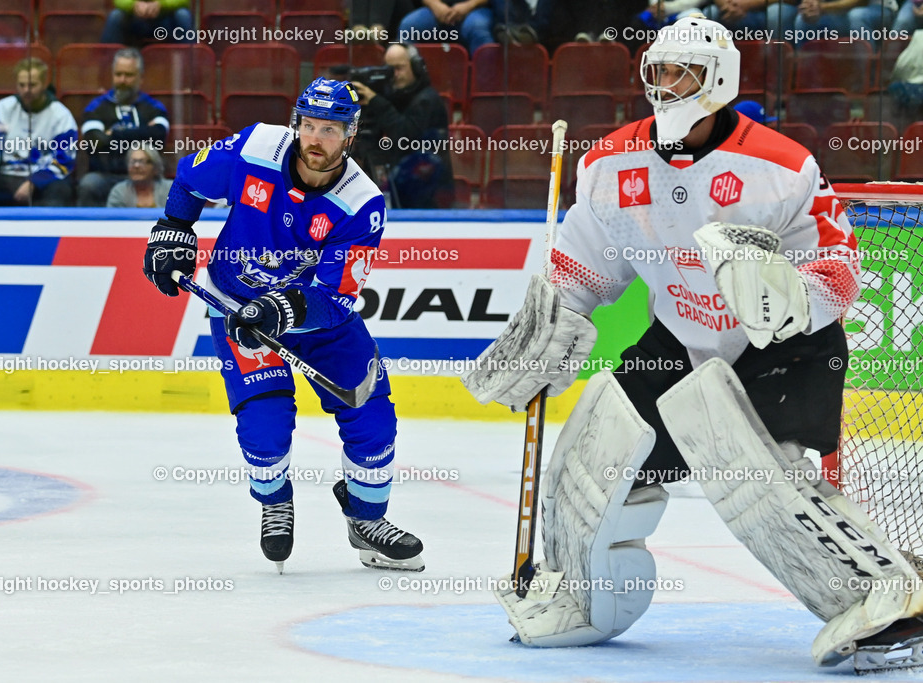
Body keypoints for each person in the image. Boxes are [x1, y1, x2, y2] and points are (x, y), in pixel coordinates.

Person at [462, 15, 923, 673]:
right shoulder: (610, 163)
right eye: (659, 71)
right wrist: (547, 330)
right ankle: (586, 599)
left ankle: (886, 602)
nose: (669, 85)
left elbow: (842, 268)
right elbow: (582, 269)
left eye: (685, 72)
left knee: (756, 474)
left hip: (783, 345)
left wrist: (789, 294)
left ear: (721, 81)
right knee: (593, 452)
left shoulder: (782, 165)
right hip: (678, 337)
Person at [142, 78, 424, 574]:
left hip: (318, 318)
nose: (317, 139)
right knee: (265, 427)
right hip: (236, 303)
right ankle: (276, 502)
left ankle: (366, 519)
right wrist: (173, 230)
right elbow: (188, 181)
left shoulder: (362, 203)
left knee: (372, 413)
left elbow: (337, 297)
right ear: (296, 124)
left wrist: (281, 311)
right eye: (310, 126)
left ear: (350, 135)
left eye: (331, 130)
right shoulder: (254, 149)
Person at [350, 43, 454, 208]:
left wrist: (376, 101)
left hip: (428, 191)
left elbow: (405, 134)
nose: (394, 75)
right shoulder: (396, 96)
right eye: (390, 70)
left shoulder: (427, 100)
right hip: (405, 185)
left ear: (417, 67)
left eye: (399, 68)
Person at [0, 58, 76, 207]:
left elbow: (64, 160)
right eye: (22, 85)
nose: (26, 90)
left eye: (32, 85)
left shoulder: (61, 116)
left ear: (44, 84)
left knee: (60, 190)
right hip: (6, 175)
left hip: (42, 179)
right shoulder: (3, 108)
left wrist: (35, 182)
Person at [78, 49, 170, 207]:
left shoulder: (154, 107)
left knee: (173, 188)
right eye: (118, 74)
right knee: (89, 184)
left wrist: (113, 134)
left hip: (147, 176)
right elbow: (95, 141)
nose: (122, 80)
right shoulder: (96, 107)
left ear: (140, 78)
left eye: (129, 75)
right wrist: (141, 133)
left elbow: (158, 136)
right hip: (107, 174)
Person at [398, 0, 496, 55]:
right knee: (408, 26)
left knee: (478, 27)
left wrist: (470, 5)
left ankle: (486, 87)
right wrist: (434, 4)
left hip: (476, 9)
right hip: (437, 9)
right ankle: (407, 88)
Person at [100, 0, 194, 45]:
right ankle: (107, 72)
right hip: (135, 20)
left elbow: (184, 1)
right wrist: (133, 5)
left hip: (166, 21)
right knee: (115, 16)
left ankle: (191, 71)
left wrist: (161, 4)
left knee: (183, 15)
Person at [106, 144, 171, 207]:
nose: (136, 166)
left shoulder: (170, 189)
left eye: (142, 161)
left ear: (155, 167)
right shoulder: (119, 192)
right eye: (132, 162)